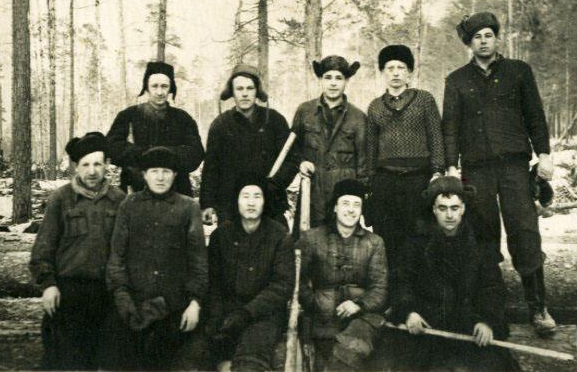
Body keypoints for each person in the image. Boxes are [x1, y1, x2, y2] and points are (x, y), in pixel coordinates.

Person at [442, 11, 556, 334]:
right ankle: (491, 311)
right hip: (475, 171)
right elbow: (449, 128)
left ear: (497, 38)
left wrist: (544, 153)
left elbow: (535, 115)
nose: (483, 41)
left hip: (514, 168)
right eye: (477, 36)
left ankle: (539, 309)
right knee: (483, 239)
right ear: (470, 43)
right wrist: (452, 166)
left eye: (488, 35)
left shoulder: (518, 72)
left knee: (525, 234)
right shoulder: (456, 81)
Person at [389, 176, 517, 371]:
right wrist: (409, 312)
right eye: (442, 208)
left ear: (463, 209)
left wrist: (486, 320)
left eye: (454, 208)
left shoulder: (480, 242)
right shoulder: (416, 242)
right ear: (433, 209)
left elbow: (492, 286)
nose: (449, 215)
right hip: (428, 324)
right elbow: (402, 279)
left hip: (470, 323)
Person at [29, 132, 126, 370]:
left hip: (108, 294)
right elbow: (43, 249)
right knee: (66, 361)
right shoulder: (61, 199)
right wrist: (49, 285)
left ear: (107, 166)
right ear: (76, 167)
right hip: (70, 292)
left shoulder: (120, 200)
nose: (91, 171)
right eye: (85, 164)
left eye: (97, 164)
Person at [105, 147, 208, 370]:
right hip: (134, 302)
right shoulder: (129, 206)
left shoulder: (188, 207)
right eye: (154, 171)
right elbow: (117, 258)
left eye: (166, 171)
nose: (160, 177)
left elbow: (198, 261)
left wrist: (195, 302)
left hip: (174, 305)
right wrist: (122, 297)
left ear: (175, 175)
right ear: (144, 174)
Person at [365, 44, 445, 277]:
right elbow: (371, 146)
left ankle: (419, 294)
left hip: (418, 180)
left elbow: (436, 137)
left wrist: (437, 171)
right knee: (387, 237)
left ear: (409, 72)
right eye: (390, 68)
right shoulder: (375, 106)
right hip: (386, 181)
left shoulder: (424, 100)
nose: (396, 72)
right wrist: (370, 181)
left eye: (401, 67)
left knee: (419, 236)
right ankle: (391, 295)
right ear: (383, 72)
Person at [205, 172, 295, 371]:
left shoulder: (279, 236)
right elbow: (213, 281)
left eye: (257, 196)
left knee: (250, 358)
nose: (251, 203)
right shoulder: (222, 235)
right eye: (245, 196)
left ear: (265, 201)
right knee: (197, 355)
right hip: (227, 310)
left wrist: (247, 313)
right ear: (237, 201)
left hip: (263, 316)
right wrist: (216, 316)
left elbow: (282, 286)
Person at [297, 179, 388, 371]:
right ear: (336, 207)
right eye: (345, 203)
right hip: (322, 322)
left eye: (357, 205)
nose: (351, 210)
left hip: (361, 323)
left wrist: (358, 305)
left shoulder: (374, 242)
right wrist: (317, 303)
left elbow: (379, 289)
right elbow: (299, 281)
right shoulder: (312, 239)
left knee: (348, 357)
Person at [200, 64, 296, 226]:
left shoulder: (274, 121)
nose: (245, 94)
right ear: (232, 92)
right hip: (230, 205)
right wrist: (207, 204)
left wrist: (274, 184)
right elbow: (211, 167)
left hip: (269, 202)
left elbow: (292, 159)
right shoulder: (221, 125)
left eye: (250, 88)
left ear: (257, 91)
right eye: (239, 89)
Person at [106, 61, 204, 196]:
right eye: (155, 86)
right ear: (146, 88)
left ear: (170, 89)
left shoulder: (182, 118)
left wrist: (165, 155)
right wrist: (143, 154)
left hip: (177, 193)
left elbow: (195, 154)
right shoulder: (129, 115)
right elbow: (112, 147)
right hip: (136, 191)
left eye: (164, 86)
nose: (160, 92)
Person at [291, 56, 367, 228]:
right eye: (328, 77)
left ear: (347, 81)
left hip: (343, 195)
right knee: (307, 246)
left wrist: (358, 198)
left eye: (339, 78)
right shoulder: (304, 112)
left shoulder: (359, 118)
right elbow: (293, 149)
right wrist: (301, 163)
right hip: (312, 193)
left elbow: (364, 164)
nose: (333, 83)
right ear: (320, 80)